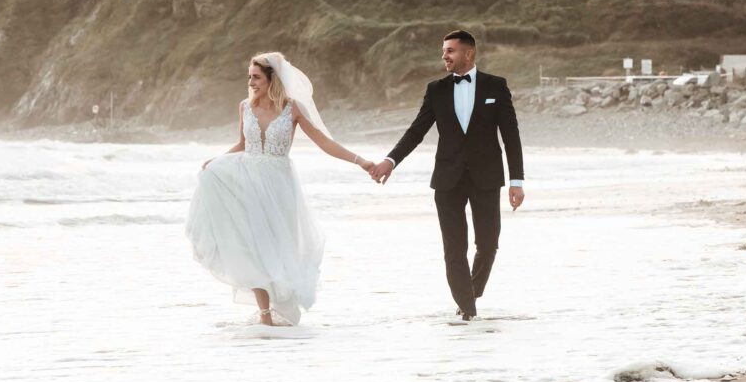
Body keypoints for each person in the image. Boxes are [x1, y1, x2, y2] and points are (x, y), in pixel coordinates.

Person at [186, 52, 375, 326]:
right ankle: (264, 314)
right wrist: (216, 161)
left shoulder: (292, 108)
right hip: (247, 180)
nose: (251, 82)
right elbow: (242, 144)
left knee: (275, 247)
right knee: (252, 245)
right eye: (249, 76)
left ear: (272, 79)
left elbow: (324, 142)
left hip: (279, 186)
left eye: (256, 77)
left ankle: (279, 307)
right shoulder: (244, 107)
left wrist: (361, 161)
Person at [369, 30, 525, 320]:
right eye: (443, 51)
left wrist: (517, 181)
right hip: (447, 179)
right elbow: (417, 131)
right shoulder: (436, 89)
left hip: (487, 177)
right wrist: (391, 160)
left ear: (469, 53)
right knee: (454, 249)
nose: (444, 56)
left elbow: (511, 136)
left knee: (489, 244)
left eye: (450, 51)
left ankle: (470, 295)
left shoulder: (496, 86)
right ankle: (469, 313)